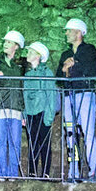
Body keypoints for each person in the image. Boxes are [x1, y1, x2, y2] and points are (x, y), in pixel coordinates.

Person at [58, 18, 96, 181]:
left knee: (88, 133)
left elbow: (90, 70)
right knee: (70, 134)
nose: (66, 33)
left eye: (69, 31)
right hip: (68, 95)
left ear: (78, 33)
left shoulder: (89, 50)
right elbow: (58, 75)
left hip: (84, 93)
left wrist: (73, 64)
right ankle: (73, 172)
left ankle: (94, 172)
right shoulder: (65, 54)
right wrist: (65, 68)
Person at [0, 31, 26, 179]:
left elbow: (22, 89)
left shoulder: (20, 66)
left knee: (15, 143)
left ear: (16, 46)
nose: (5, 44)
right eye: (5, 41)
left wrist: (24, 112)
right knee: (0, 142)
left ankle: (13, 175)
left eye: (9, 42)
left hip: (15, 108)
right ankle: (1, 173)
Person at [21, 41, 58, 178]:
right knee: (33, 143)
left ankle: (45, 173)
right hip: (31, 113)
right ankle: (32, 172)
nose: (27, 54)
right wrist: (24, 114)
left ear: (38, 56)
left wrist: (49, 116)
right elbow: (25, 95)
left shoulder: (47, 73)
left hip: (43, 112)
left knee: (44, 143)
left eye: (31, 52)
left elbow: (51, 95)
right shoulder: (27, 75)